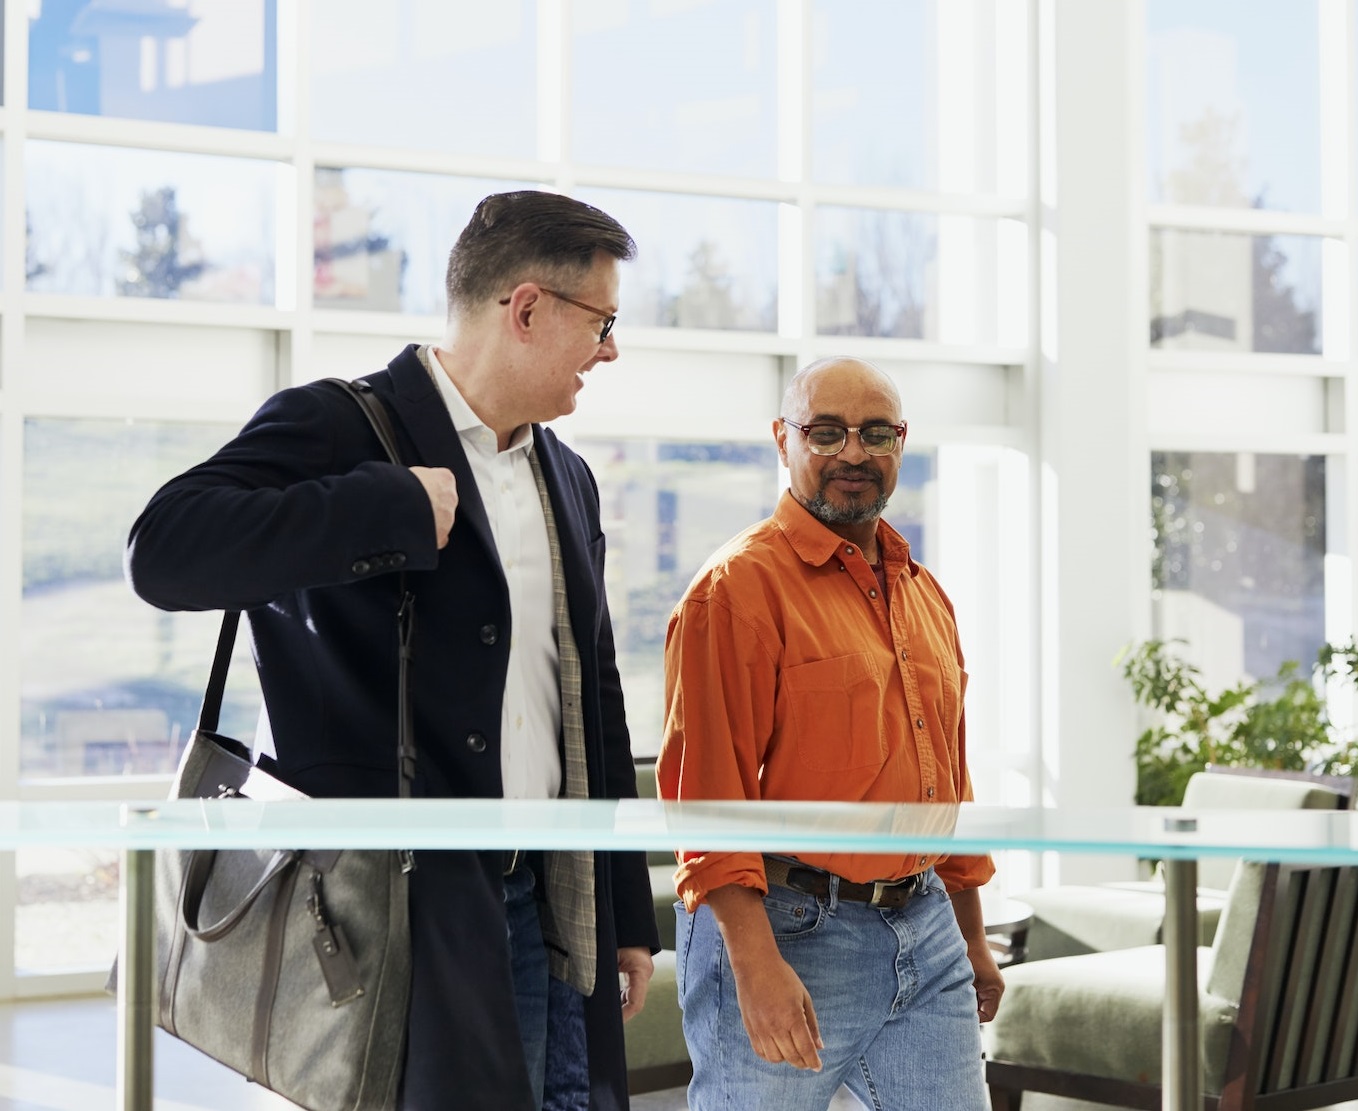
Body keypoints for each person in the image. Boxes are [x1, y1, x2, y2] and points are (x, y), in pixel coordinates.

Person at [125, 190, 659, 1111]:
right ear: (526, 309)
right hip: (391, 908)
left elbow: (591, 694)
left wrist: (622, 912)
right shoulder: (339, 424)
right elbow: (164, 551)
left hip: (543, 896)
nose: (610, 349)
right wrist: (388, 507)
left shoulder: (566, 476)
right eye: (602, 321)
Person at [656, 357, 1005, 1110]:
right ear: (783, 440)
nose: (853, 452)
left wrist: (970, 932)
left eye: (875, 432)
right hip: (788, 931)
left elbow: (945, 776)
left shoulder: (921, 590)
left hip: (926, 925)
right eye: (826, 432)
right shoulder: (736, 589)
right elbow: (704, 795)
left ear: (901, 443)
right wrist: (753, 965)